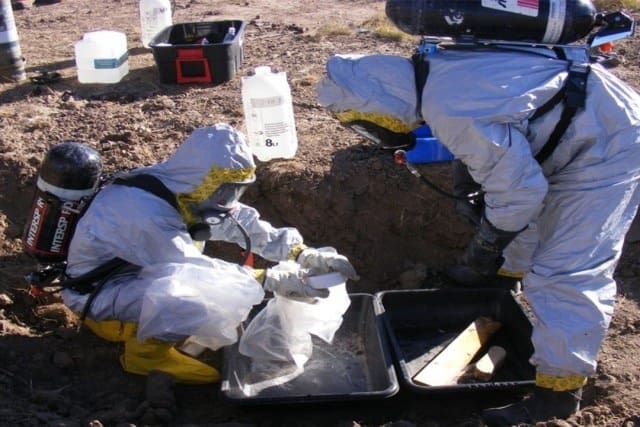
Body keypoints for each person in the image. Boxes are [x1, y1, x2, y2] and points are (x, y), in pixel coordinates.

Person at [316, 28, 640, 425]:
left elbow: (519, 194)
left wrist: (486, 245)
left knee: (565, 269)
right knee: (523, 217)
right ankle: (502, 284)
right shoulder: (435, 73)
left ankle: (558, 395)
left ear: (377, 103)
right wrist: (473, 183)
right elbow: (501, 130)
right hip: (581, 124)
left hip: (608, 144)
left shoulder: (447, 105)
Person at [60, 123, 359, 384]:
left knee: (214, 290)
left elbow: (243, 223)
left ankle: (164, 331)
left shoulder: (181, 191)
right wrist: (270, 279)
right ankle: (145, 356)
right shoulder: (144, 212)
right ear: (204, 181)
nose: (229, 200)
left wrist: (300, 253)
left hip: (135, 277)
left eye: (235, 191)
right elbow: (192, 272)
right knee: (202, 295)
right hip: (99, 296)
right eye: (225, 190)